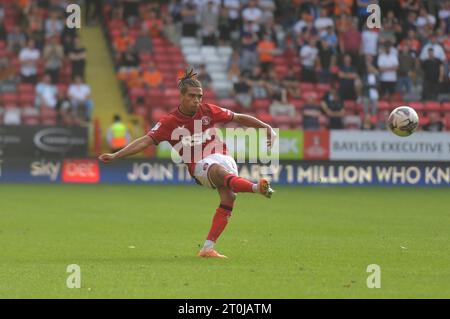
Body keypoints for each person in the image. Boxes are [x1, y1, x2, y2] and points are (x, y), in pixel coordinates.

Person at [99, 69, 276, 259]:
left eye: (199, 96)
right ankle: (257, 187)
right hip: (199, 165)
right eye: (192, 96)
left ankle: (207, 248)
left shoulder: (208, 110)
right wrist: (117, 155)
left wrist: (266, 127)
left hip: (222, 155)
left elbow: (238, 117)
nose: (197, 100)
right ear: (181, 96)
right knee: (218, 172)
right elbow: (145, 141)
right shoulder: (169, 122)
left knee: (229, 197)